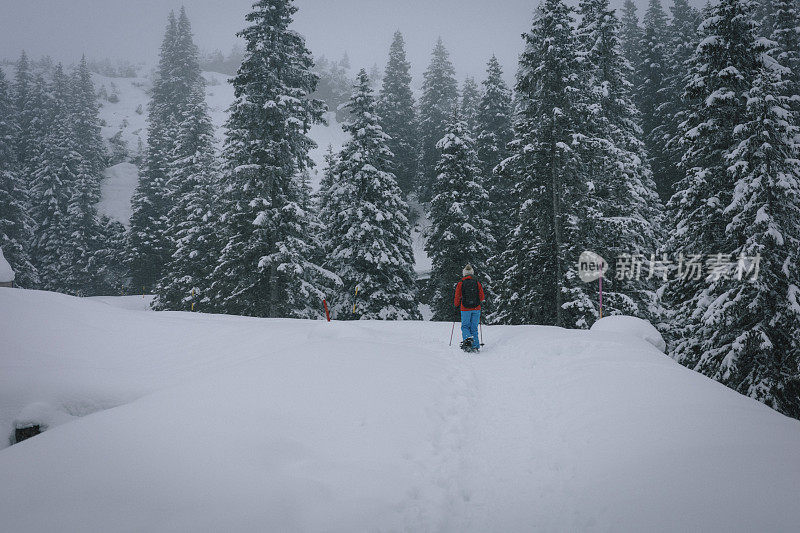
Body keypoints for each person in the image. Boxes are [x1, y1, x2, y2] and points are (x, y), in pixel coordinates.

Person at [454, 264, 485, 352]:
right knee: (474, 328)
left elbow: (457, 296)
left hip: (465, 308)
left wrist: (456, 306)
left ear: (464, 273)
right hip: (476, 308)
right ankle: (475, 345)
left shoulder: (461, 283)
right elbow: (482, 297)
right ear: (472, 273)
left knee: (465, 326)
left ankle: (467, 341)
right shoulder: (477, 282)